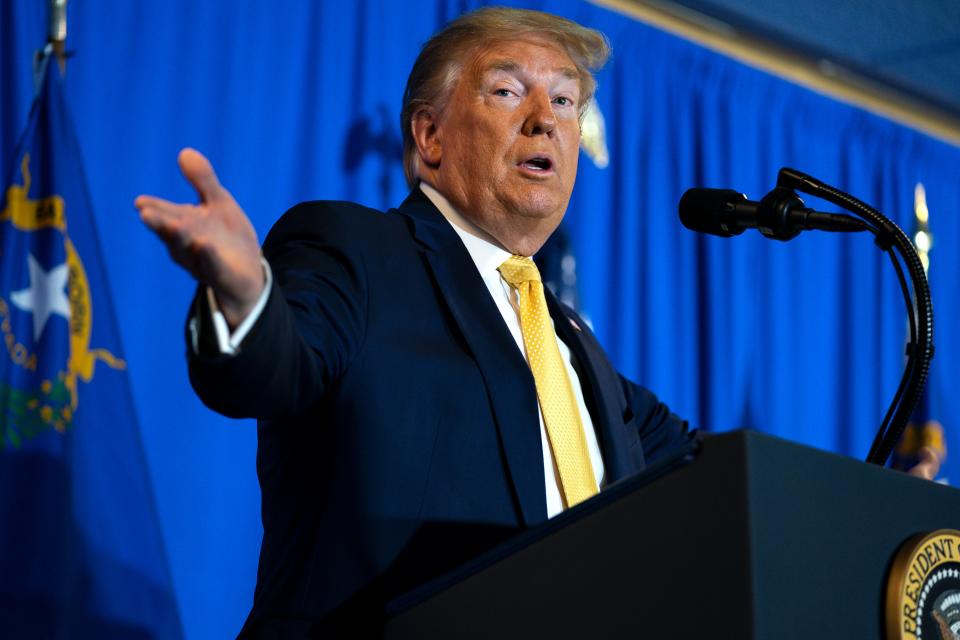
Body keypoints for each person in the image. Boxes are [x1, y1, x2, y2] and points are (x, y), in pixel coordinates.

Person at [135, 6, 939, 637]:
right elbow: (280, 362)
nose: (545, 119)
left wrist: (860, 512)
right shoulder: (355, 250)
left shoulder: (577, 354)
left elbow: (719, 486)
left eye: (565, 101)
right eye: (508, 90)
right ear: (429, 137)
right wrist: (244, 298)